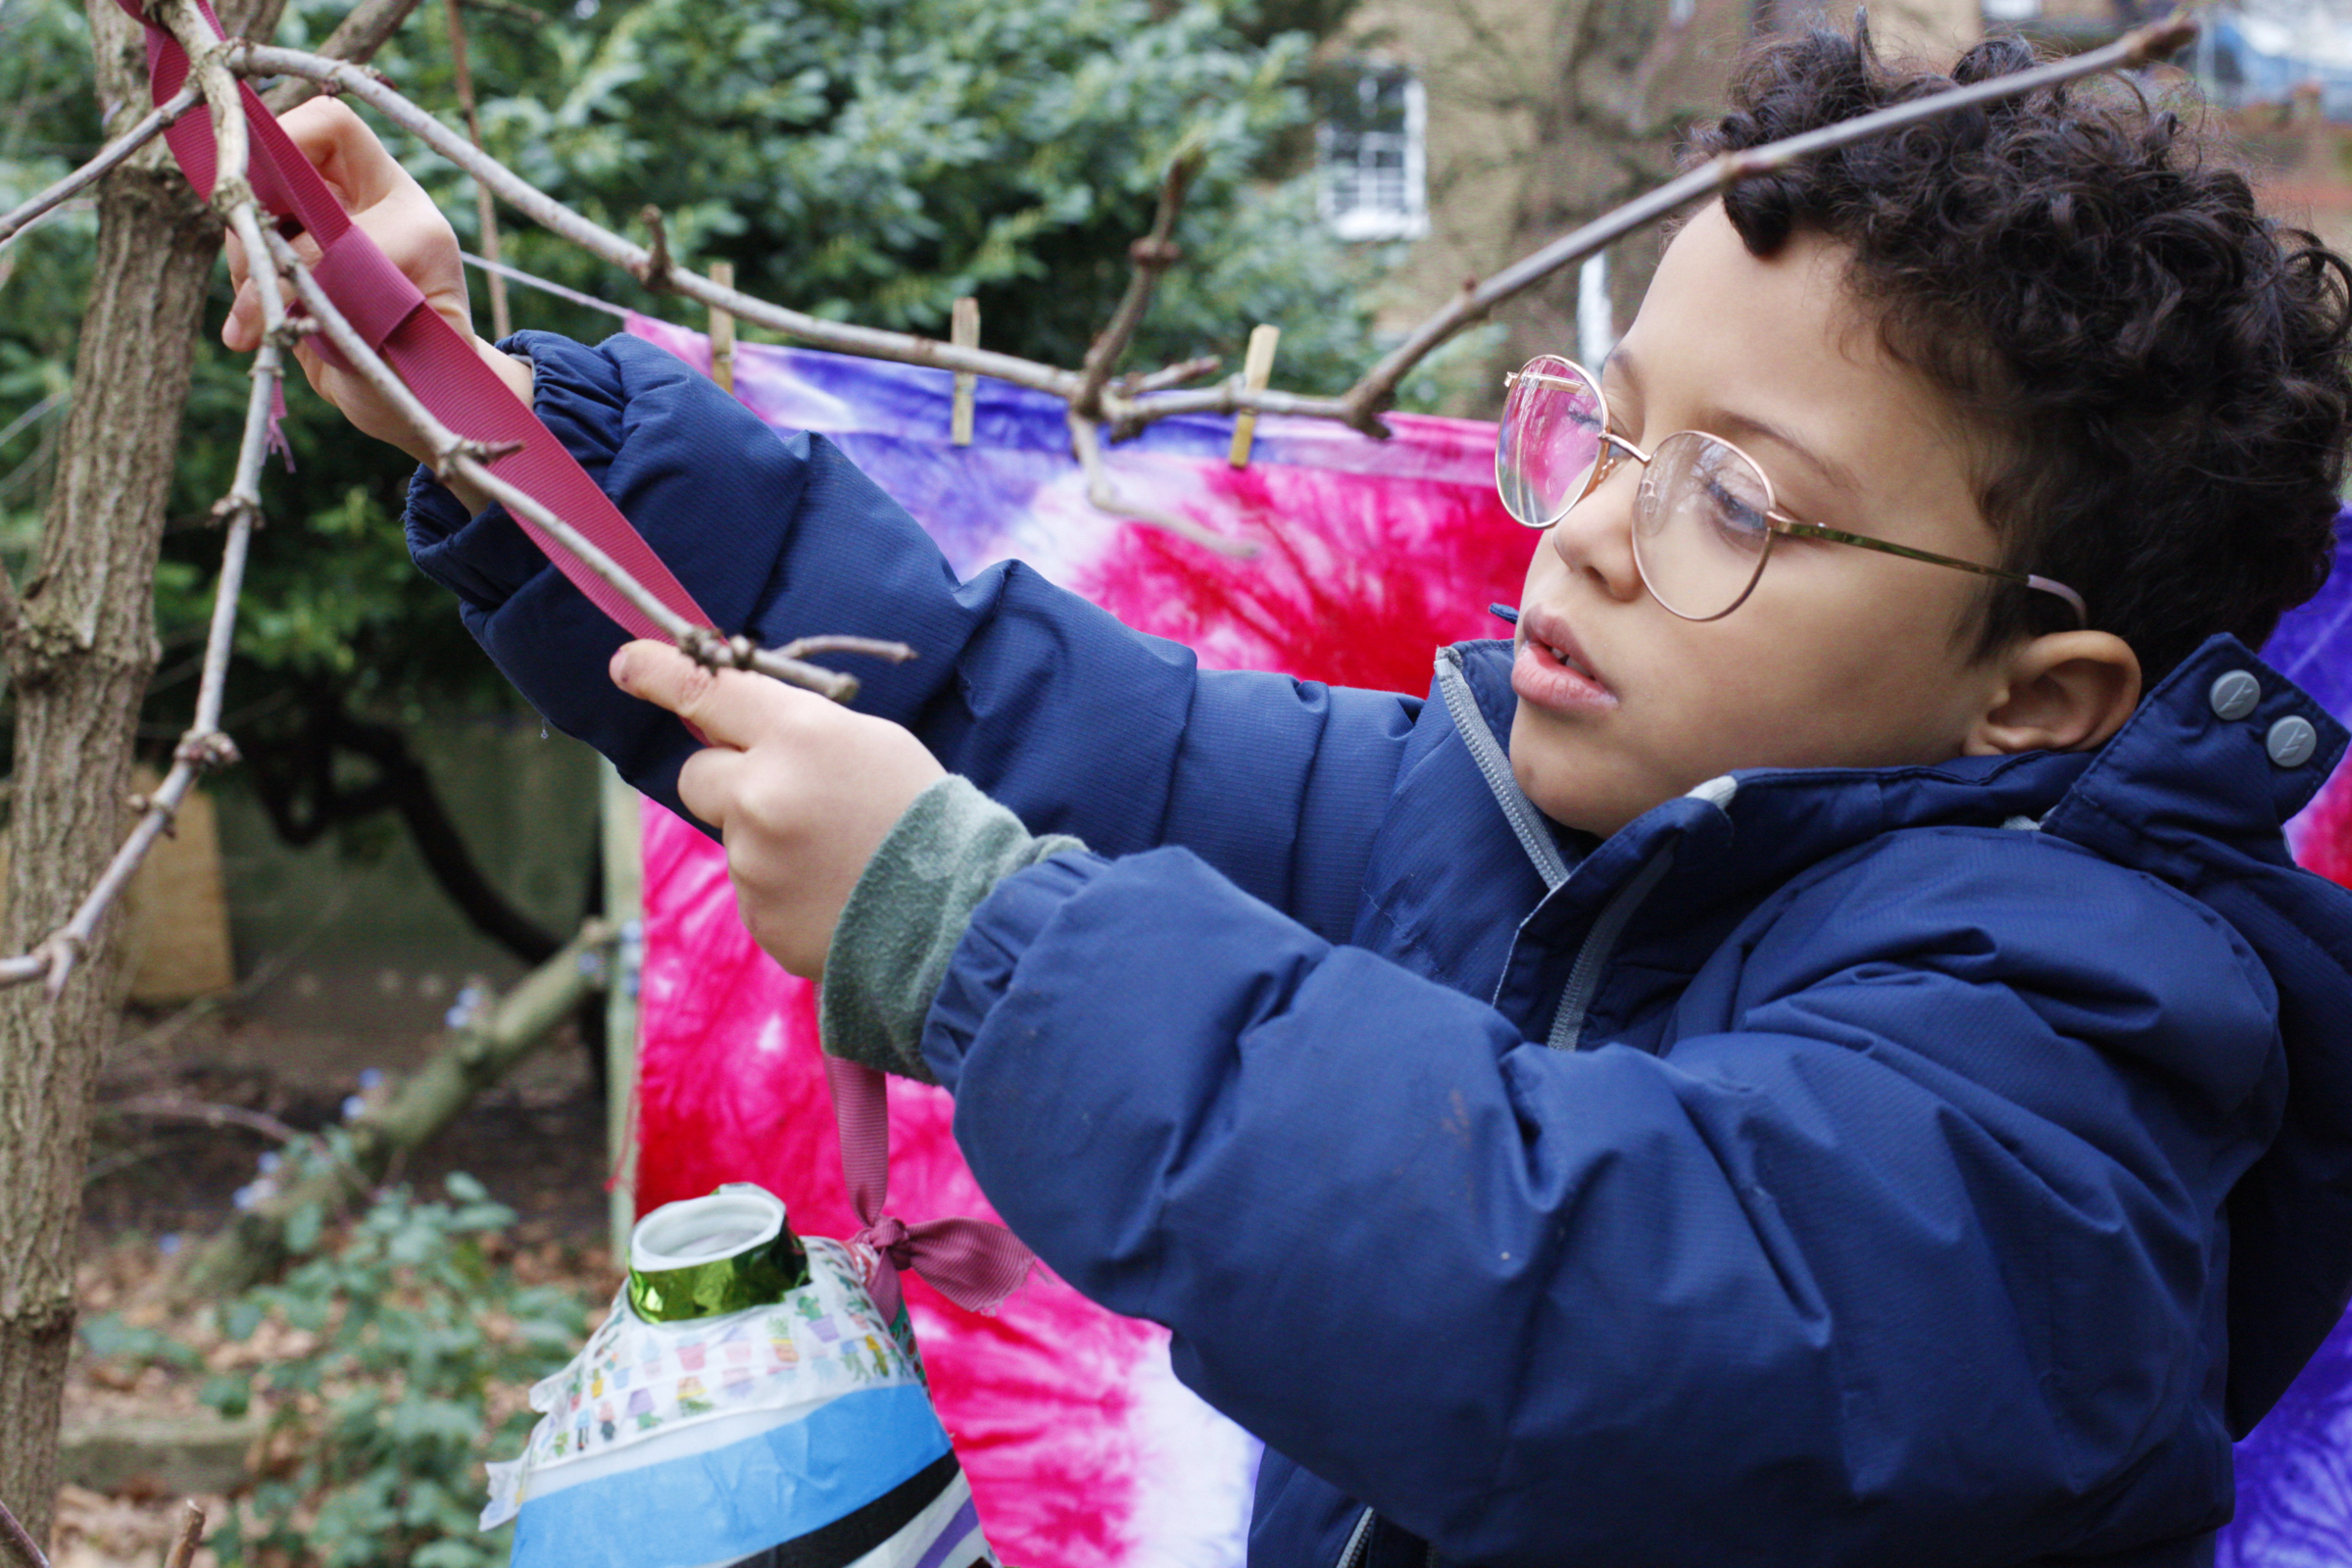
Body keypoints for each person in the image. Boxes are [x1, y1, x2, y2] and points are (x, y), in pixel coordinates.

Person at [227, 21, 2352, 1567]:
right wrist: (487, 404)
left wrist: (978, 933)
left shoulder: (2076, 1078)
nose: (1593, 531)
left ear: (2034, 693)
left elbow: (1596, 1285)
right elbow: (998, 700)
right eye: (1602, 429)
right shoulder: (1509, 820)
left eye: (1734, 498)